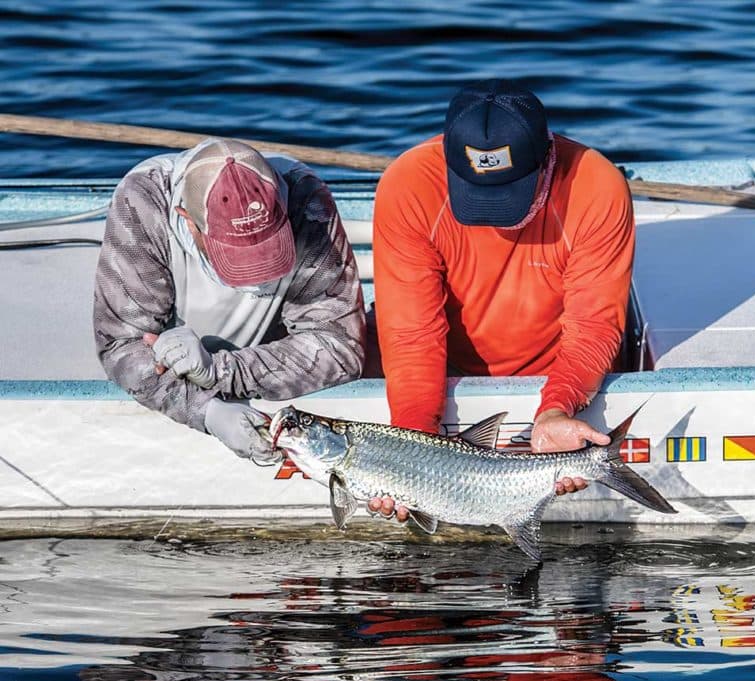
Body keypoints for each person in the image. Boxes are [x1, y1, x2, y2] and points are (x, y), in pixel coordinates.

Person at [370, 79, 634, 518]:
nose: (492, 216)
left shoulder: (597, 185)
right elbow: (412, 334)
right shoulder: (407, 184)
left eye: (511, 191)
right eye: (474, 195)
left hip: (559, 375)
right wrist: (413, 445)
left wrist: (556, 409)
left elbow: (593, 325)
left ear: (547, 158)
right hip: (448, 370)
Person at [94, 137, 366, 463]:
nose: (257, 269)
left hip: (262, 372)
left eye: (269, 244)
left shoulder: (304, 198)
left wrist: (220, 371)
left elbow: (338, 348)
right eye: (237, 253)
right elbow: (122, 346)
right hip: (173, 373)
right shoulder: (144, 200)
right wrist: (207, 411)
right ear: (187, 220)